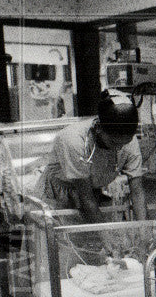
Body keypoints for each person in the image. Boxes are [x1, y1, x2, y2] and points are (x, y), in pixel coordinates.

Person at [41, 89, 148, 222]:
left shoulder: (129, 141)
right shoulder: (73, 140)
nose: (119, 148)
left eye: (124, 143)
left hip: (93, 193)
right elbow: (86, 198)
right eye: (114, 142)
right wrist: (105, 237)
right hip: (60, 195)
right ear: (98, 128)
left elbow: (137, 192)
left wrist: (145, 230)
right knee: (65, 238)